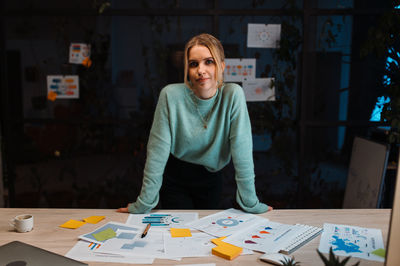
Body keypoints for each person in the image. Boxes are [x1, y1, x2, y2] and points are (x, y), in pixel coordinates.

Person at [118, 33, 272, 214]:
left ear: (221, 66)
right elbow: (157, 152)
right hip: (175, 177)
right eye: (193, 64)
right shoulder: (170, 95)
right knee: (179, 236)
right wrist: (144, 203)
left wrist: (251, 202)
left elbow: (242, 150)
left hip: (211, 178)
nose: (201, 70)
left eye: (209, 62)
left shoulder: (233, 95)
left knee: (205, 235)